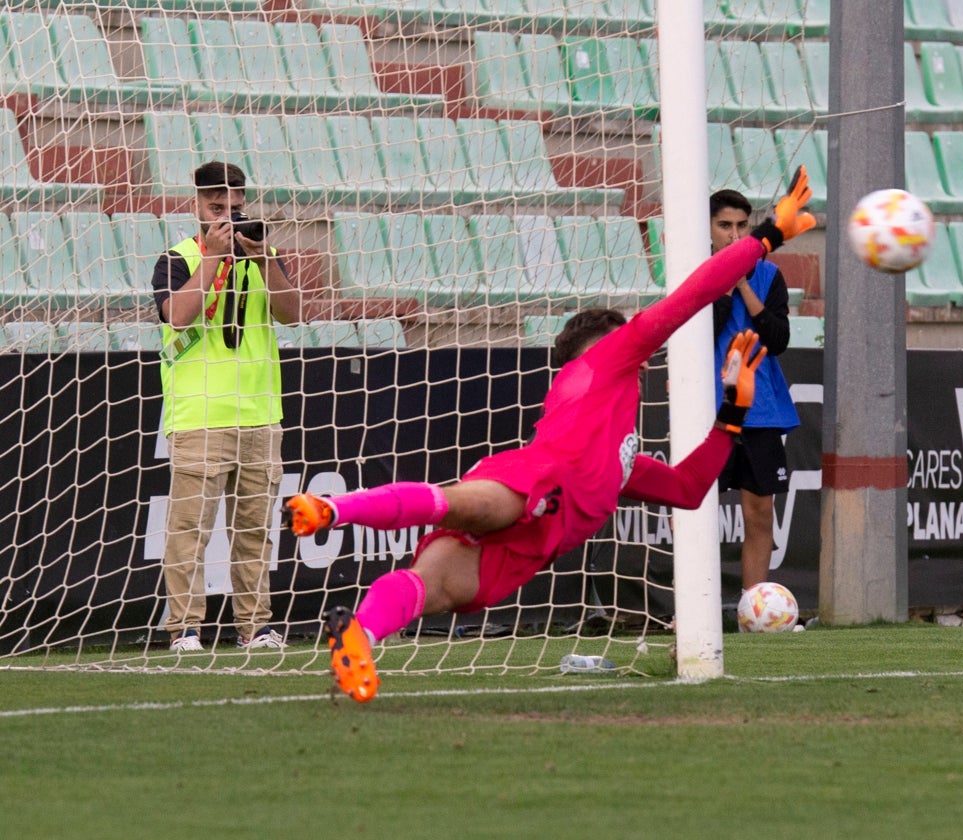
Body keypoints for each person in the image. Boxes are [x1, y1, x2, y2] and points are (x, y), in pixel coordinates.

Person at [285, 168, 816, 701]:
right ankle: (333, 509)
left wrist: (731, 415)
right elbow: (692, 296)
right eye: (623, 339)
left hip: (536, 543)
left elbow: (686, 488)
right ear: (599, 347)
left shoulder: (622, 452)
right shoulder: (607, 360)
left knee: (434, 587)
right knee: (458, 506)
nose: (639, 349)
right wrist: (766, 237)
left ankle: (360, 637)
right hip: (538, 478)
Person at [152, 161, 302, 652]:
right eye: (217, 208)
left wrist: (259, 259)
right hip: (199, 415)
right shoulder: (177, 258)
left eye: (235, 208)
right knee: (188, 532)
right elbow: (177, 316)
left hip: (260, 413)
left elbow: (294, 314)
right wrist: (214, 259)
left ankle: (255, 626)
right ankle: (185, 629)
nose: (227, 217)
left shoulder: (265, 253)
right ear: (196, 206)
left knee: (255, 531)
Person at [709, 189, 801, 595]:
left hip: (760, 410)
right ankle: (694, 611)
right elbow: (695, 335)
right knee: (697, 514)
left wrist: (745, 285)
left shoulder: (769, 276)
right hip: (708, 410)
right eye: (724, 226)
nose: (733, 234)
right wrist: (724, 286)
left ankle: (753, 611)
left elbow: (778, 340)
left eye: (742, 226)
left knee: (760, 513)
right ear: (708, 229)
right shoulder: (696, 272)